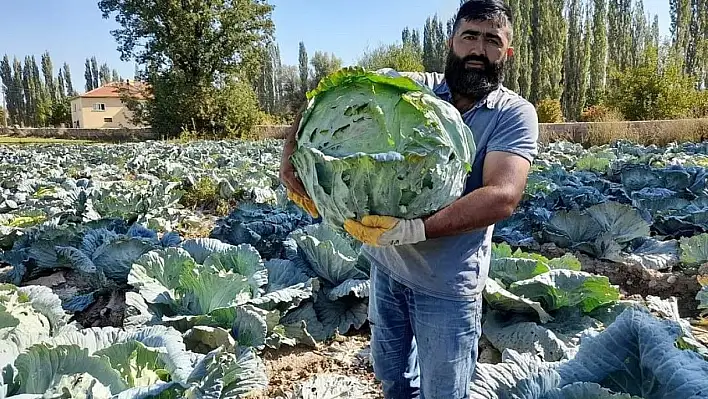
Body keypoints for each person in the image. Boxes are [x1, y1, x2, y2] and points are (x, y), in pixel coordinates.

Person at [280, 1, 539, 397]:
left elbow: (502, 196)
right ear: (452, 41)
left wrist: (414, 228)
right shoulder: (416, 87)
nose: (478, 50)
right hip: (387, 269)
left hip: (448, 287)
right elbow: (328, 91)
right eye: (469, 36)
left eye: (492, 41)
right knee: (391, 377)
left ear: (507, 52)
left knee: (443, 391)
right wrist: (290, 162)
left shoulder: (513, 113)